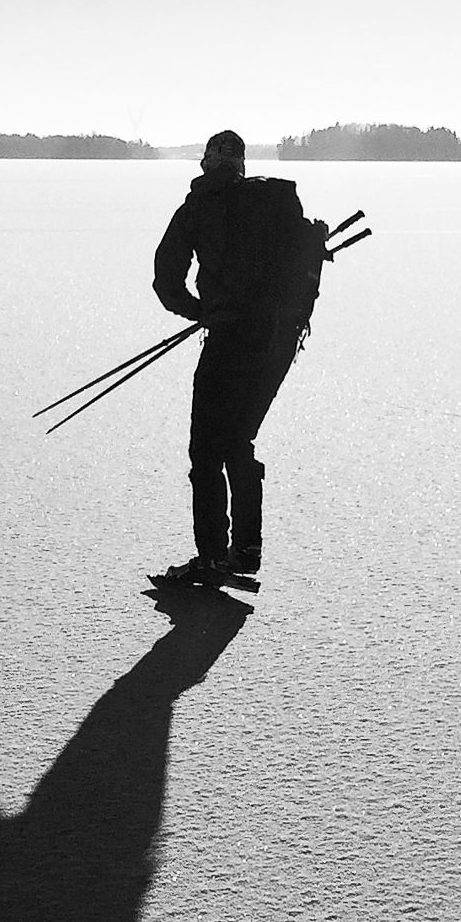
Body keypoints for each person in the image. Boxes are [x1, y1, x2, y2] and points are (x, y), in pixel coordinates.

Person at [152, 129, 324, 583]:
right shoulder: (275, 203)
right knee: (237, 441)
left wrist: (201, 312)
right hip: (277, 342)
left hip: (229, 340)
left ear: (209, 162)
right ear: (242, 165)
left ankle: (211, 557)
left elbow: (166, 282)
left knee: (205, 451)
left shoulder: (198, 206)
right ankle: (245, 548)